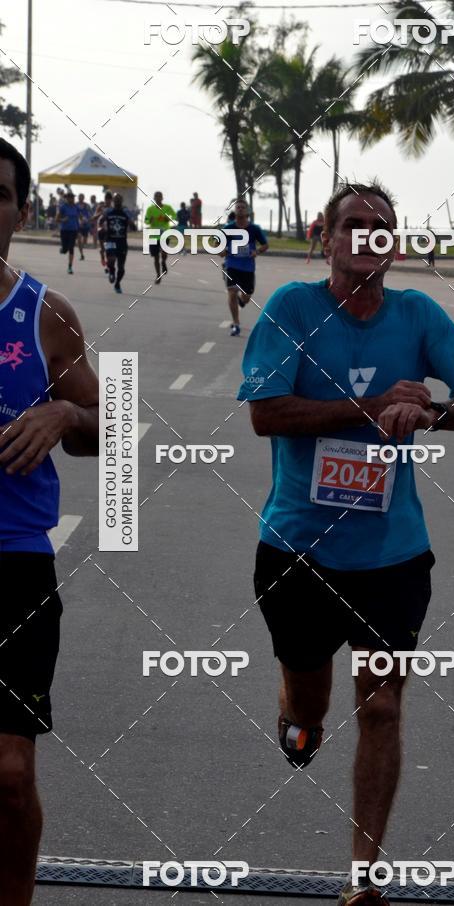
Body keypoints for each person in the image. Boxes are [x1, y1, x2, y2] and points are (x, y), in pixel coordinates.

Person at [238, 181, 454, 906]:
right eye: (354, 224)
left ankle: (363, 878)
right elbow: (267, 414)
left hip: (391, 556)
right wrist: (370, 407)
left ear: (394, 244)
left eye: (382, 226)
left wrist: (427, 411)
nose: (368, 236)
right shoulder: (292, 310)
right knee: (313, 705)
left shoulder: (419, 315)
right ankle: (296, 715)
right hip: (298, 550)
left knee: (382, 708)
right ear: (326, 236)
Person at [0, 138, 99, 906]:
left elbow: (109, 426)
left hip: (15, 566)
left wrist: (65, 409)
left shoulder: (44, 314)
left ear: (21, 211)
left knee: (9, 773)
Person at [220, 198, 268, 337]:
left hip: (248, 267)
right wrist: (222, 251)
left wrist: (256, 251)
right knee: (232, 292)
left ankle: (241, 302)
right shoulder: (228, 229)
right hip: (232, 265)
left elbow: (265, 245)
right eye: (238, 207)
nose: (240, 209)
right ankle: (236, 324)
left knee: (246, 296)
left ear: (247, 211)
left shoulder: (254, 229)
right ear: (234, 211)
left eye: (242, 207)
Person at [98, 192, 135, 294]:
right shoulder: (108, 211)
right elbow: (100, 221)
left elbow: (133, 226)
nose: (117, 201)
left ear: (122, 201)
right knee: (111, 259)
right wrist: (101, 228)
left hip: (122, 242)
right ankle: (111, 271)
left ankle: (117, 283)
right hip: (110, 240)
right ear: (113, 201)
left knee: (122, 268)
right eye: (116, 199)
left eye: (119, 199)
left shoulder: (125, 213)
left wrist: (131, 223)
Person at [144, 191, 177, 285]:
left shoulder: (167, 208)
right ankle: (158, 275)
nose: (158, 199)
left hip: (164, 233)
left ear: (162, 198)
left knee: (163, 253)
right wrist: (149, 220)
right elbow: (146, 220)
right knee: (155, 257)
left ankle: (163, 262)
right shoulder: (150, 209)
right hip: (153, 235)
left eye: (160, 197)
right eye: (156, 197)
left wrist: (169, 218)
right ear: (154, 198)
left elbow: (174, 216)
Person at [56, 190, 80, 274]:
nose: (72, 199)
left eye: (73, 197)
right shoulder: (63, 207)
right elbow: (57, 219)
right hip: (64, 230)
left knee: (71, 248)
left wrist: (80, 223)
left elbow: (78, 217)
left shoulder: (76, 207)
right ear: (67, 198)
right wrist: (63, 219)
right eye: (70, 197)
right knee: (65, 249)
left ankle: (70, 267)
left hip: (73, 230)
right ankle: (63, 249)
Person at [92, 191, 113, 271]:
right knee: (103, 248)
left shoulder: (113, 208)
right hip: (101, 230)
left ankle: (108, 266)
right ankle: (102, 256)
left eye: (109, 199)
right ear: (105, 199)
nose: (108, 201)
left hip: (110, 231)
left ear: (111, 200)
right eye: (106, 199)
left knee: (109, 249)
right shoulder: (101, 207)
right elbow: (94, 217)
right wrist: (101, 213)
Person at [75, 193, 91, 261]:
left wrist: (88, 220)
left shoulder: (87, 205)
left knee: (84, 241)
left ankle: (82, 247)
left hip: (86, 225)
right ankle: (81, 254)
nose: (80, 198)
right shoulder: (75, 205)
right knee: (79, 239)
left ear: (83, 198)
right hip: (78, 225)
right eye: (79, 197)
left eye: (82, 197)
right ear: (78, 198)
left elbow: (90, 214)